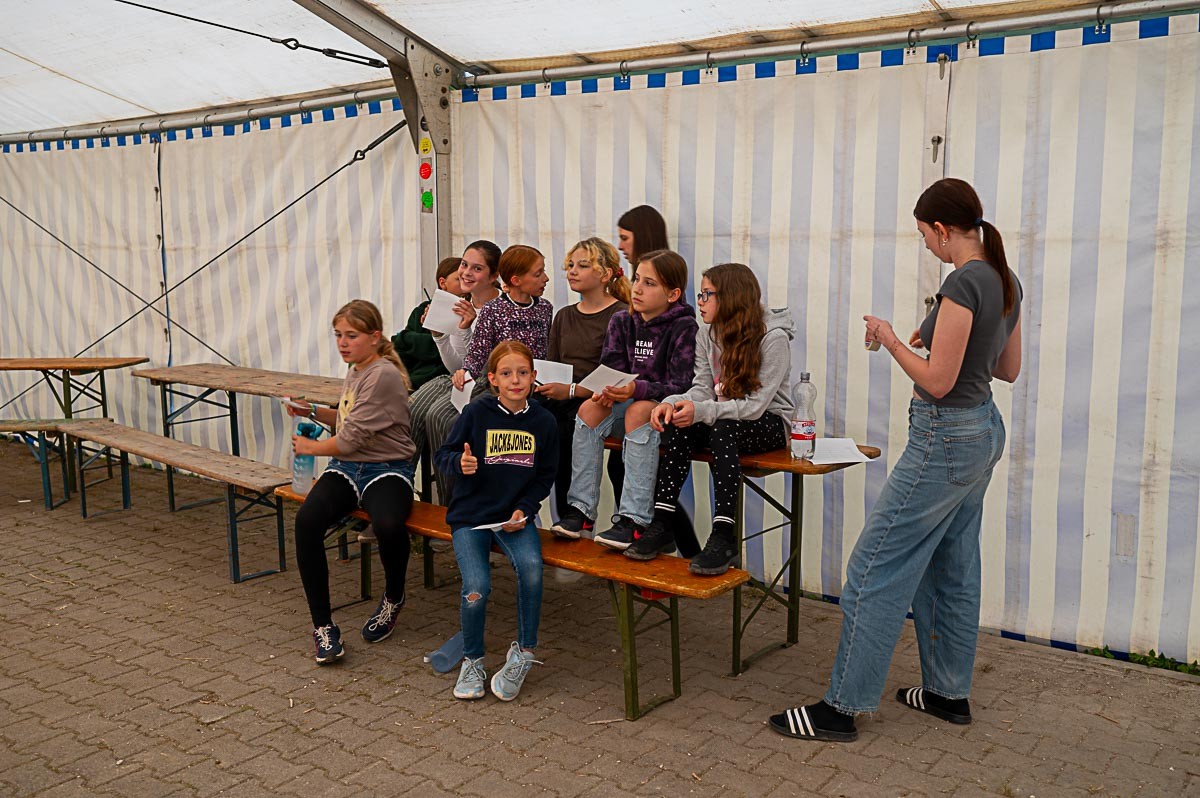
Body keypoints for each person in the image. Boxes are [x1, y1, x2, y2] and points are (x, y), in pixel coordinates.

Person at [769, 177, 1022, 742]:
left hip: (944, 437)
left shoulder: (963, 282)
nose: (925, 244)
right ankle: (947, 693)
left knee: (872, 567)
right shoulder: (1005, 278)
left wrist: (889, 339)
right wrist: (943, 341)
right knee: (952, 565)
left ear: (943, 229)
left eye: (924, 234)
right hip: (982, 431)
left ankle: (842, 708)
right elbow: (1007, 369)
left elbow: (937, 382)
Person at [288, 300, 418, 665]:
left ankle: (393, 597)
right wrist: (312, 410)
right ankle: (323, 626)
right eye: (338, 335)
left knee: (389, 524)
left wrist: (310, 447)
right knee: (306, 522)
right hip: (347, 468)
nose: (343, 343)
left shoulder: (382, 374)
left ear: (374, 337)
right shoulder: (358, 368)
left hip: (387, 468)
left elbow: (347, 440)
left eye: (351, 336)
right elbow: (349, 420)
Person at [647, 263, 794, 574]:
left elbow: (755, 407)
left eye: (706, 294)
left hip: (769, 422)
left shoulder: (774, 338)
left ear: (731, 297)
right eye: (700, 294)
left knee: (721, 427)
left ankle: (724, 536)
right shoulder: (706, 333)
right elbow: (702, 388)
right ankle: (661, 523)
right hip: (724, 420)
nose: (699, 301)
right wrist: (672, 404)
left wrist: (702, 411)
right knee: (683, 424)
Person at [551, 250, 698, 557]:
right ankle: (581, 510)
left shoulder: (684, 326)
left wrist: (635, 388)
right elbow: (612, 367)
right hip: (629, 408)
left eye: (649, 283)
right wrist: (608, 390)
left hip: (666, 415)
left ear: (672, 294)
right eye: (637, 279)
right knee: (589, 408)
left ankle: (634, 519)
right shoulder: (622, 320)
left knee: (638, 409)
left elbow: (682, 385)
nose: (638, 289)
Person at [434, 341, 557, 701]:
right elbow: (444, 454)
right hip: (471, 517)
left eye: (523, 373)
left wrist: (525, 509)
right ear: (492, 379)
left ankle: (524, 653)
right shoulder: (476, 413)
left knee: (532, 570)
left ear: (534, 377)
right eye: (506, 373)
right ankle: (472, 660)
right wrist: (459, 464)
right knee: (476, 587)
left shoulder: (544, 422)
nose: (515, 380)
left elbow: (545, 476)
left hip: (514, 518)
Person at [534, 237, 630, 522]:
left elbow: (617, 374)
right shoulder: (564, 315)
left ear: (606, 274)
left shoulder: (621, 315)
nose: (572, 271)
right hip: (561, 397)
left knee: (565, 428)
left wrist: (572, 390)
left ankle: (575, 516)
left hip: (599, 400)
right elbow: (552, 364)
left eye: (583, 265)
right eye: (570, 265)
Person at [407, 240, 502, 503]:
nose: (466, 273)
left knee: (440, 417)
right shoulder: (460, 304)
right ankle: (397, 484)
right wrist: (438, 334)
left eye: (477, 268)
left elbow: (481, 367)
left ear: (493, 276)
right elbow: (456, 365)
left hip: (488, 384)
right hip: (462, 379)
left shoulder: (501, 308)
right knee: (410, 410)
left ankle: (452, 502)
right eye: (464, 265)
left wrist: (465, 328)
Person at [456, 244, 552, 385]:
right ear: (516, 281)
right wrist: (465, 371)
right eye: (538, 274)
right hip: (502, 386)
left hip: (537, 383)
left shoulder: (545, 307)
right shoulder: (493, 309)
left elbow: (548, 350)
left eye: (544, 271)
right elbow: (478, 353)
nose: (546, 278)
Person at [391, 257, 464, 392]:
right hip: (410, 379)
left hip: (443, 381)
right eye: (459, 279)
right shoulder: (421, 311)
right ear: (443, 283)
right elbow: (401, 346)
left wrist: (408, 339)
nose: (465, 283)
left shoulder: (468, 314)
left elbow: (450, 352)